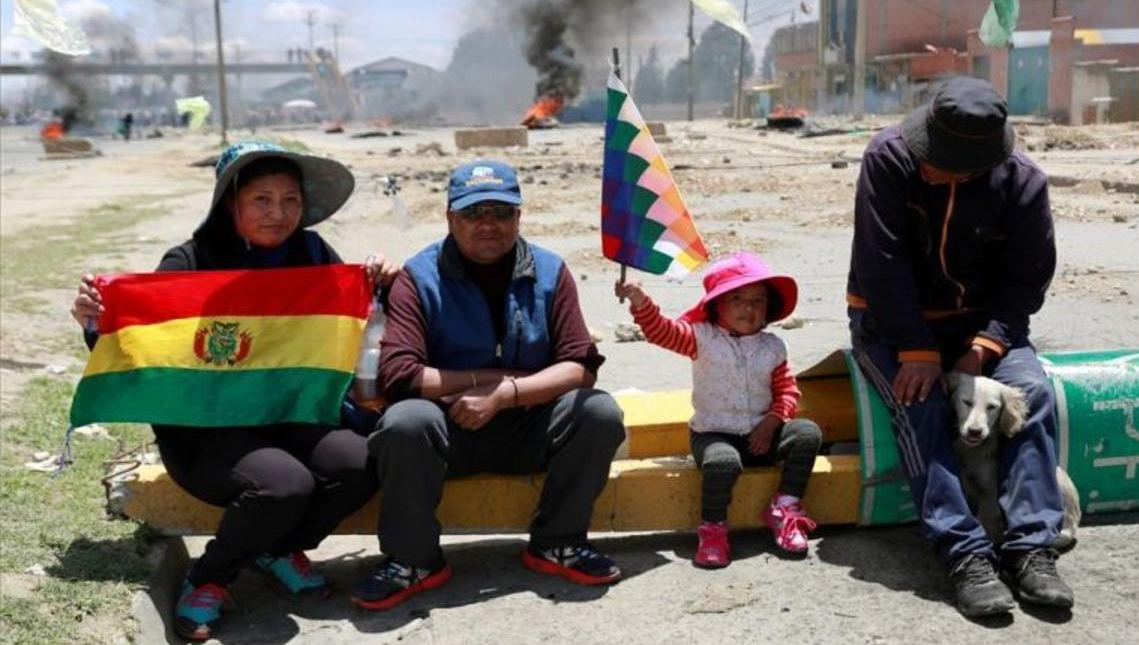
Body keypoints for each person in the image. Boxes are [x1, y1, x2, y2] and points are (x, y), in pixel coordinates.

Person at [71, 141, 398, 641]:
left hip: (290, 416)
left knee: (361, 462)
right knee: (285, 485)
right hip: (205, 431)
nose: (278, 214)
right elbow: (145, 341)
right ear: (231, 203)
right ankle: (209, 578)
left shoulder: (312, 254)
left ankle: (276, 547)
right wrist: (97, 320)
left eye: (290, 201)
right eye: (261, 200)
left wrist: (379, 285)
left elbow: (349, 326)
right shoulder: (189, 261)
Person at [353, 159, 626, 611]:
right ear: (450, 219)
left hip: (526, 427)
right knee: (405, 421)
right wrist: (487, 380)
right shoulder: (419, 278)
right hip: (448, 433)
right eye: (474, 213)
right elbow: (401, 375)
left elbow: (580, 365)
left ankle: (557, 542)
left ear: (519, 217)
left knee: (597, 411)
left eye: (501, 213)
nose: (488, 225)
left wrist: (506, 395)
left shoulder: (550, 271)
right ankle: (413, 560)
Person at [846, 77, 1072, 617]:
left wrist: (986, 344)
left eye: (942, 163)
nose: (928, 166)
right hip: (892, 326)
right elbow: (883, 264)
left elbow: (1026, 283)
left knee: (1030, 394)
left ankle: (1031, 547)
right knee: (920, 403)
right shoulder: (886, 160)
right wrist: (917, 350)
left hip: (984, 327)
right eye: (928, 153)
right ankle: (964, 552)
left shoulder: (1023, 185)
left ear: (978, 166)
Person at [615, 252, 822, 568]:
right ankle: (713, 529)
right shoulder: (700, 338)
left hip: (762, 435)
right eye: (737, 298)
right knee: (723, 463)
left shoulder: (773, 347)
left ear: (769, 308)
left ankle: (786, 506)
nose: (748, 307)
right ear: (716, 305)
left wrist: (771, 423)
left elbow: (787, 392)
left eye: (758, 300)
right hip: (713, 435)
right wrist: (640, 301)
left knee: (807, 434)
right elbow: (660, 331)